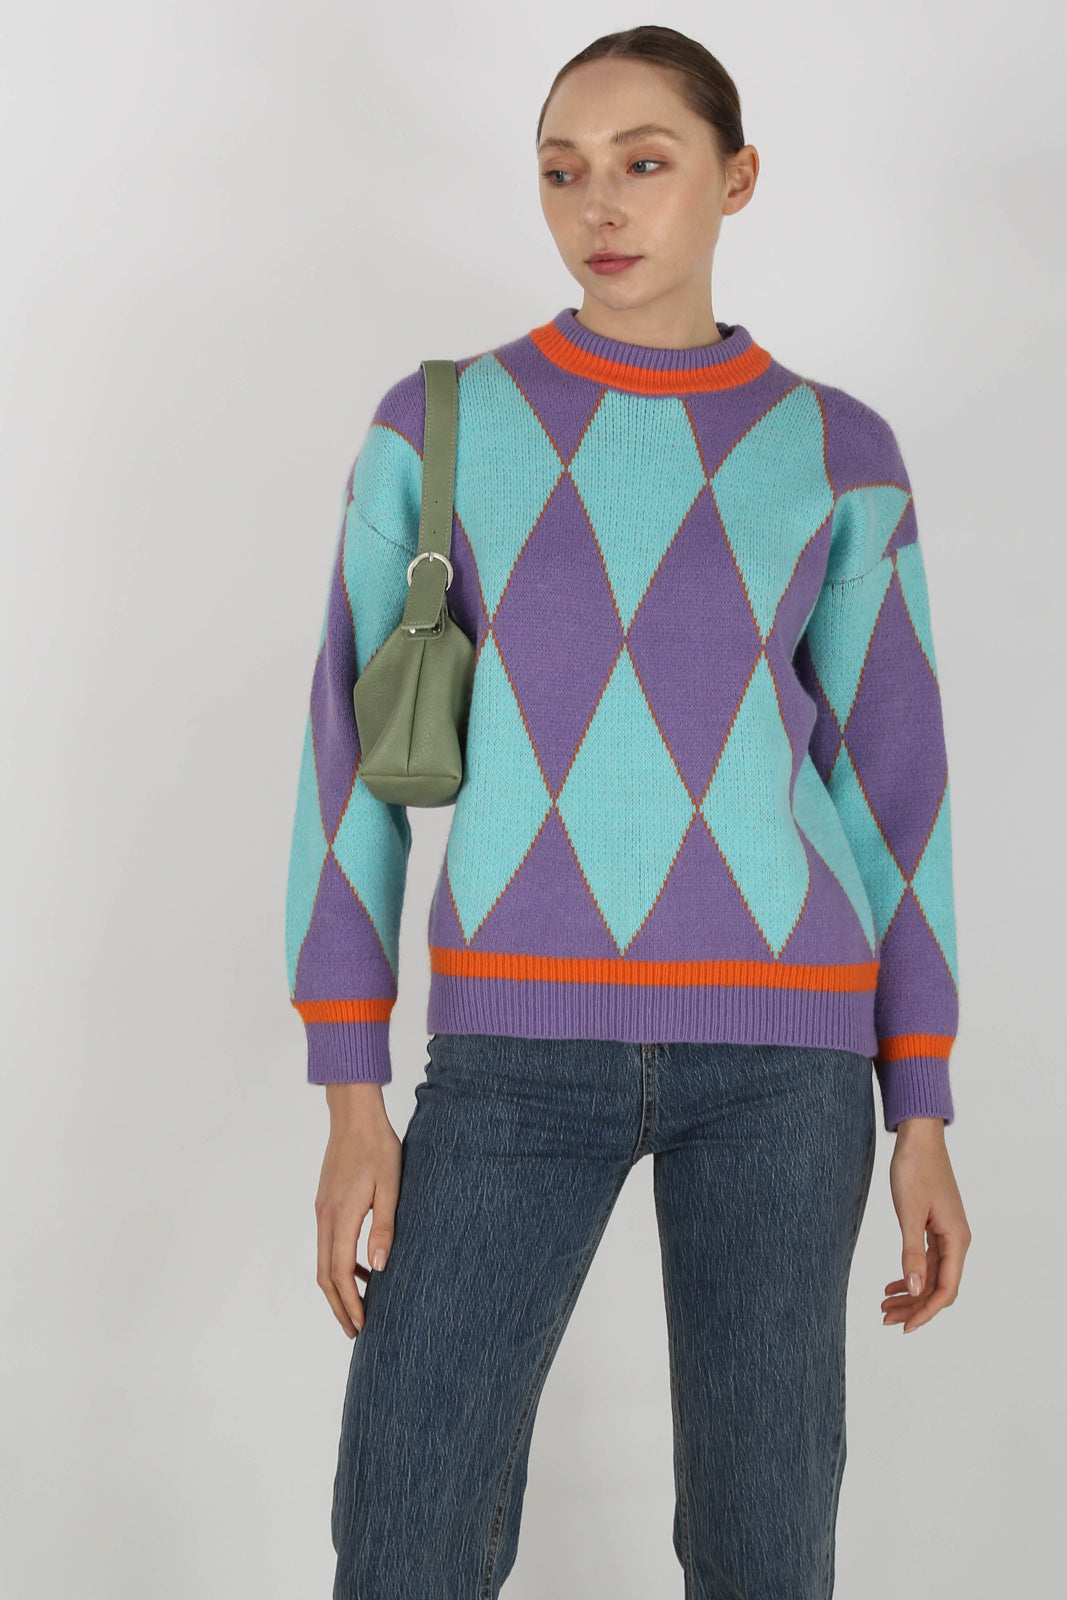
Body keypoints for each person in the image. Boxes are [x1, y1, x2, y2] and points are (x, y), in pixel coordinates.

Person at [284, 24, 972, 1600]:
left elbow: (899, 796)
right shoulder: (439, 427)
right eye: (562, 171)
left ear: (737, 178)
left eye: (643, 162)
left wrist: (922, 1110)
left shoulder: (839, 453)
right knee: (406, 1533)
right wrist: (349, 1092)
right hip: (512, 1059)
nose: (599, 203)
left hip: (790, 1064)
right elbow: (346, 775)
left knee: (762, 1548)